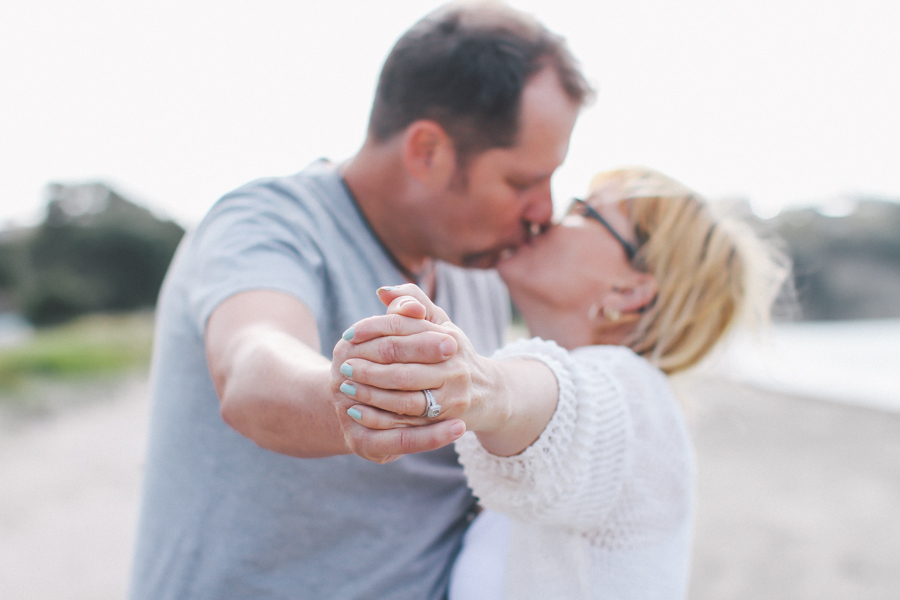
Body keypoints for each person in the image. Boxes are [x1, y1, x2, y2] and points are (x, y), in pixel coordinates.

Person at [129, 3, 593, 599]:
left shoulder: (474, 263)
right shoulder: (266, 222)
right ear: (428, 151)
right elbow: (252, 367)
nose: (543, 210)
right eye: (522, 182)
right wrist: (364, 397)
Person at [334, 167, 789, 599]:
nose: (545, 219)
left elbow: (562, 399)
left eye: (583, 211)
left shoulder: (638, 398)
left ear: (628, 291)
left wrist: (480, 385)